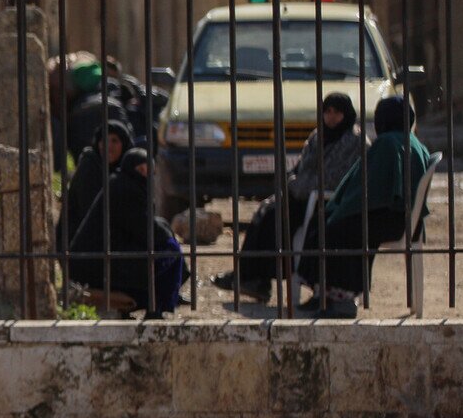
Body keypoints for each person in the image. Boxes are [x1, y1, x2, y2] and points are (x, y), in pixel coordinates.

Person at [213, 92, 362, 302]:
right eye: (327, 112)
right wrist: (295, 183)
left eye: (336, 113)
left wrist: (297, 184)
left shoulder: (353, 142)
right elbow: (299, 169)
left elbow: (334, 178)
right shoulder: (318, 136)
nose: (331, 117)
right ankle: (250, 277)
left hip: (324, 203)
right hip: (300, 196)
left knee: (276, 218)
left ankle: (254, 276)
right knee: (265, 213)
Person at [296, 95, 432, 319]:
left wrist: (341, 208)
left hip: (390, 220)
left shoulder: (388, 143)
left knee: (335, 227)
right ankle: (325, 295)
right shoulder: (412, 141)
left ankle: (342, 300)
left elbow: (370, 188)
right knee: (330, 223)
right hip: (401, 218)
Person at [68, 148, 187, 316]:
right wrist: (168, 237)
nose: (145, 175)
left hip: (99, 261)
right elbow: (143, 227)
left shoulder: (123, 185)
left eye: (148, 171)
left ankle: (149, 306)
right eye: (140, 170)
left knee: (164, 248)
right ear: (128, 168)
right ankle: (154, 308)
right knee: (169, 252)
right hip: (94, 266)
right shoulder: (123, 188)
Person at [58, 120, 133, 251]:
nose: (108, 146)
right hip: (81, 246)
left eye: (115, 141)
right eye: (104, 140)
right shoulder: (90, 167)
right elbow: (91, 214)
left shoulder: (123, 171)